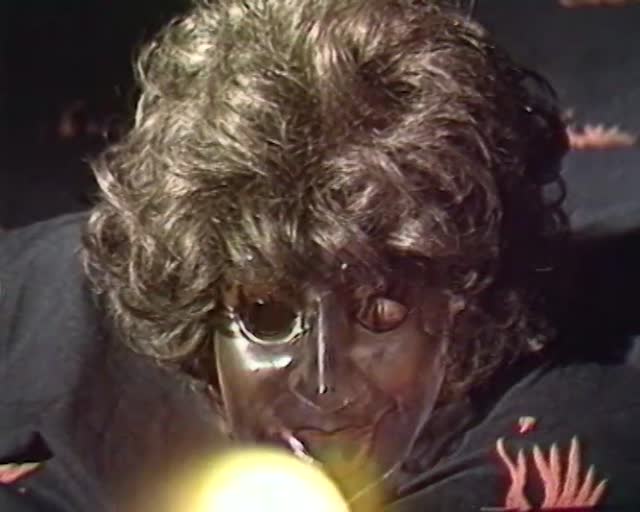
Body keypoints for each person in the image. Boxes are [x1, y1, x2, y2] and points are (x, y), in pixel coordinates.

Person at [1, 0, 639, 510]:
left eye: (380, 313)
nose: (324, 384)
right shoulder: (50, 316)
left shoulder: (586, 416)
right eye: (268, 316)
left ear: (464, 307)